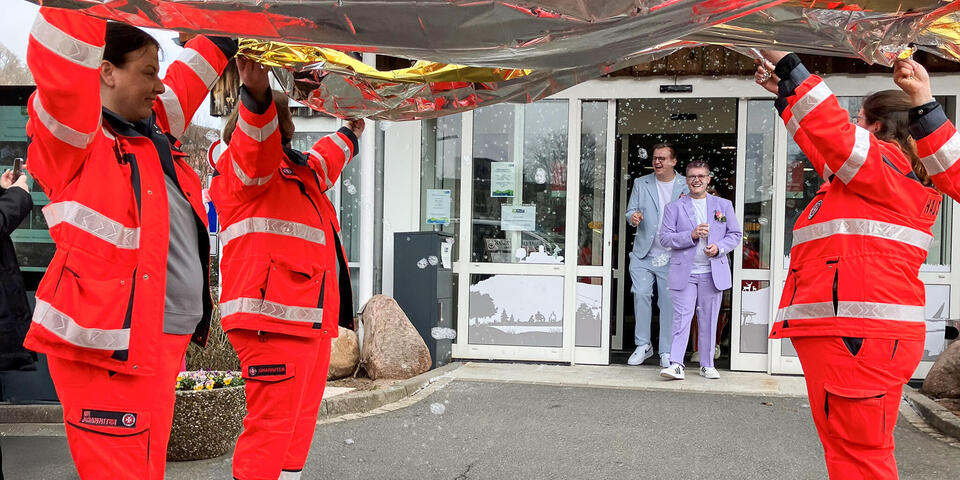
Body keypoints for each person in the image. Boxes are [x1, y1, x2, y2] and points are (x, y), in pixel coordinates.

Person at [21, 7, 236, 479]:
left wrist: (228, 33)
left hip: (154, 341)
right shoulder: (76, 141)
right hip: (107, 349)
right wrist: (79, 8)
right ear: (106, 72)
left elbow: (184, 84)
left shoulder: (149, 132)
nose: (159, 86)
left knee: (145, 467)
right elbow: (61, 65)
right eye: (147, 73)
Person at [753, 49, 957, 479]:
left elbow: (831, 132)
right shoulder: (872, 180)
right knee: (848, 451)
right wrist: (786, 95)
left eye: (859, 119)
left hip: (858, 338)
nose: (852, 125)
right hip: (856, 337)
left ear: (877, 127)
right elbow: (823, 144)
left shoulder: (885, 167)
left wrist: (788, 63)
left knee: (859, 457)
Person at [210, 57, 364, 480]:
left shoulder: (299, 170)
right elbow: (256, 148)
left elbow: (327, 157)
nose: (292, 126)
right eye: (285, 119)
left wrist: (351, 132)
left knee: (296, 428)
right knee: (272, 429)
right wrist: (256, 93)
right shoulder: (244, 168)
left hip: (303, 319)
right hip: (271, 319)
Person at [657, 161, 741, 380]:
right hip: (684, 273)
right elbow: (664, 238)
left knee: (709, 319)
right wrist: (691, 235)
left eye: (701, 176)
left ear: (708, 179)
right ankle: (676, 364)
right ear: (686, 180)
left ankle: (707, 364)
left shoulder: (723, 205)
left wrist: (719, 248)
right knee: (681, 319)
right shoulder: (674, 207)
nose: (697, 180)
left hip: (712, 273)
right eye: (692, 176)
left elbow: (735, 234)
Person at [624, 143, 688, 367]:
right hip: (643, 253)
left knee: (668, 302)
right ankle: (643, 344)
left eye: (662, 158)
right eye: (655, 158)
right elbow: (629, 211)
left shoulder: (685, 184)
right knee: (641, 294)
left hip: (672, 255)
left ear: (674, 161)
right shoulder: (641, 183)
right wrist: (633, 217)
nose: (657, 162)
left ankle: (666, 350)